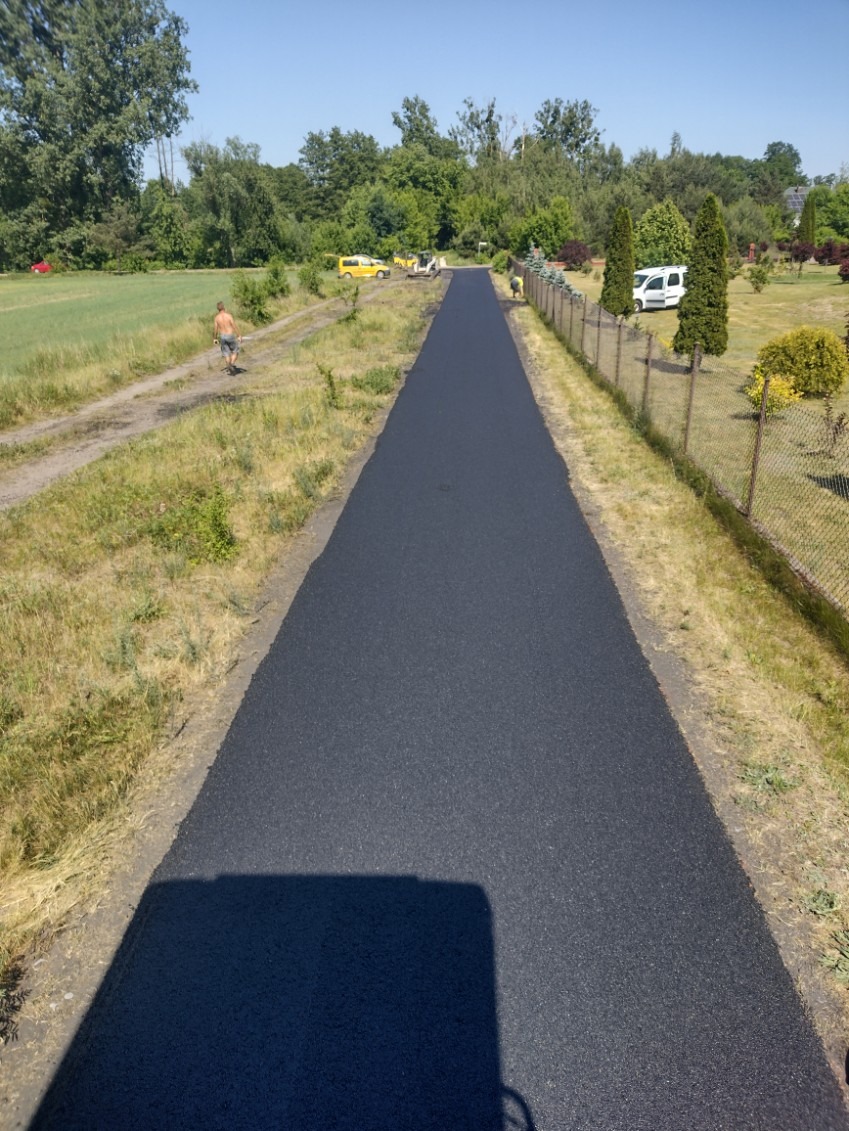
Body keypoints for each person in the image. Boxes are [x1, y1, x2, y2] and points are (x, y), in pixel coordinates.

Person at [213, 302, 242, 374]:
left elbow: (215, 329)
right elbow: (234, 326)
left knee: (226, 353)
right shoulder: (228, 316)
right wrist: (239, 335)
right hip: (230, 335)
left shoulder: (216, 318)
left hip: (222, 337)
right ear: (224, 307)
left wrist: (215, 338)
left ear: (218, 309)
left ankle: (229, 366)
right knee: (235, 351)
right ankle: (231, 364)